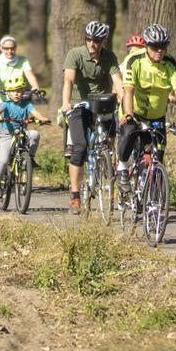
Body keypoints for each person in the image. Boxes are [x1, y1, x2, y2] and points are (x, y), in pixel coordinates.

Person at [117, 23, 176, 191]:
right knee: (129, 132)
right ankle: (122, 167)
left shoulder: (171, 63)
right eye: (155, 46)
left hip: (157, 115)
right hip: (134, 111)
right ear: (146, 46)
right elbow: (128, 91)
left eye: (163, 46)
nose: (159, 50)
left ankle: (150, 195)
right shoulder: (134, 60)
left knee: (157, 154)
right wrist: (128, 115)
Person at [61, 20, 123, 215]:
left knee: (111, 136)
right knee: (79, 148)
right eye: (88, 39)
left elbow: (118, 82)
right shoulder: (75, 54)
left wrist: (123, 102)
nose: (92, 44)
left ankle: (106, 162)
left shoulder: (110, 57)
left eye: (96, 40)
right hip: (79, 105)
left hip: (102, 104)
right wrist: (65, 103)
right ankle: (75, 195)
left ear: (103, 41)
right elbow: (69, 80)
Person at [0, 73, 50, 201]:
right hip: (6, 135)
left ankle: (29, 159)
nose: (16, 94)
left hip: (22, 132)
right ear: (8, 93)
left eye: (19, 91)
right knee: (4, 160)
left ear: (23, 91)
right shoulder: (6, 104)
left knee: (35, 134)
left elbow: (35, 113)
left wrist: (42, 118)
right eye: (13, 91)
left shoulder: (27, 104)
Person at [0, 35, 40, 107]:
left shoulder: (23, 60)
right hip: (1, 99)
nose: (9, 51)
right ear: (1, 48)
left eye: (12, 48)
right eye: (6, 48)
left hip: (19, 98)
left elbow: (30, 76)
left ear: (15, 48)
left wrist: (35, 87)